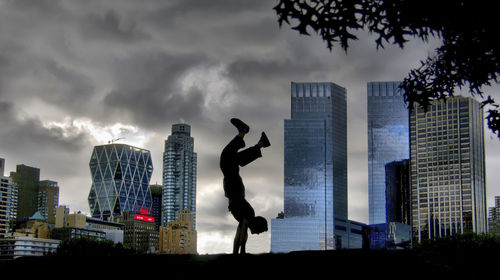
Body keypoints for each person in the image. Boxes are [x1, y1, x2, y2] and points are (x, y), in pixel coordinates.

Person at [220, 118, 270, 254]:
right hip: (234, 188)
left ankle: (260, 144)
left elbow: (239, 235)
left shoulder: (245, 219)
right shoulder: (248, 216)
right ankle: (243, 132)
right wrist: (241, 251)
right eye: (259, 231)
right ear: (256, 224)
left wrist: (237, 252)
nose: (258, 234)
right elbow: (242, 236)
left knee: (233, 160)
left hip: (235, 189)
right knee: (226, 159)